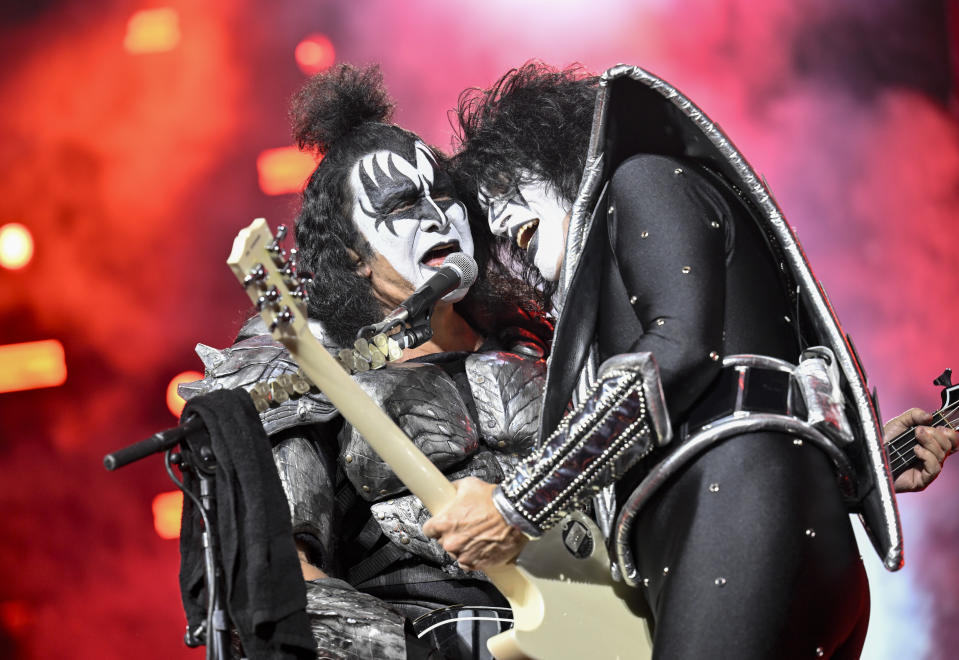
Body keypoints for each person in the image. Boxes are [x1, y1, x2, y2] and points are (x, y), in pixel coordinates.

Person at [423, 62, 959, 659]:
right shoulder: (614, 268)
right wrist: (868, 465)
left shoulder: (642, 178)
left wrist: (515, 504)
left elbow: (677, 356)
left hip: (739, 523)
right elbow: (743, 397)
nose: (499, 221)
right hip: (761, 533)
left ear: (560, 154)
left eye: (506, 183)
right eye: (486, 218)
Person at [182, 64, 553, 659]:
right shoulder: (304, 364)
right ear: (353, 254)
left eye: (447, 196)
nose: (438, 217)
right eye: (404, 204)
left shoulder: (537, 338)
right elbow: (279, 572)